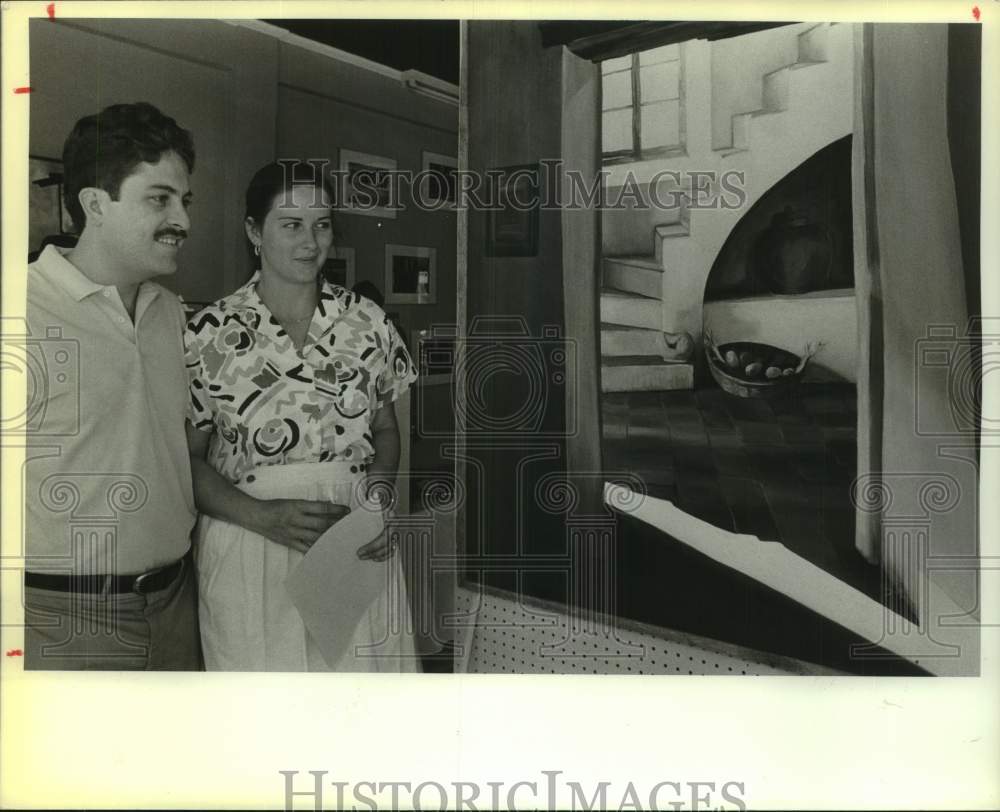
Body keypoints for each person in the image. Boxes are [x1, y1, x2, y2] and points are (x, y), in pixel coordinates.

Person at [184, 161, 419, 671]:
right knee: (268, 719)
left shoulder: (367, 322)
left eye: (322, 223)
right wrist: (261, 516)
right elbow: (187, 463)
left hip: (352, 535)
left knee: (361, 709)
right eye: (291, 224)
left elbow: (385, 430)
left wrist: (378, 500)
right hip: (249, 539)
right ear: (254, 231)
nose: (310, 241)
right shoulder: (205, 333)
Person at [23, 102, 201, 670]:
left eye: (184, 200)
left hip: (178, 605)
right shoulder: (18, 309)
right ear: (95, 204)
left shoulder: (170, 312)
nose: (184, 220)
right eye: (160, 198)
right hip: (60, 618)